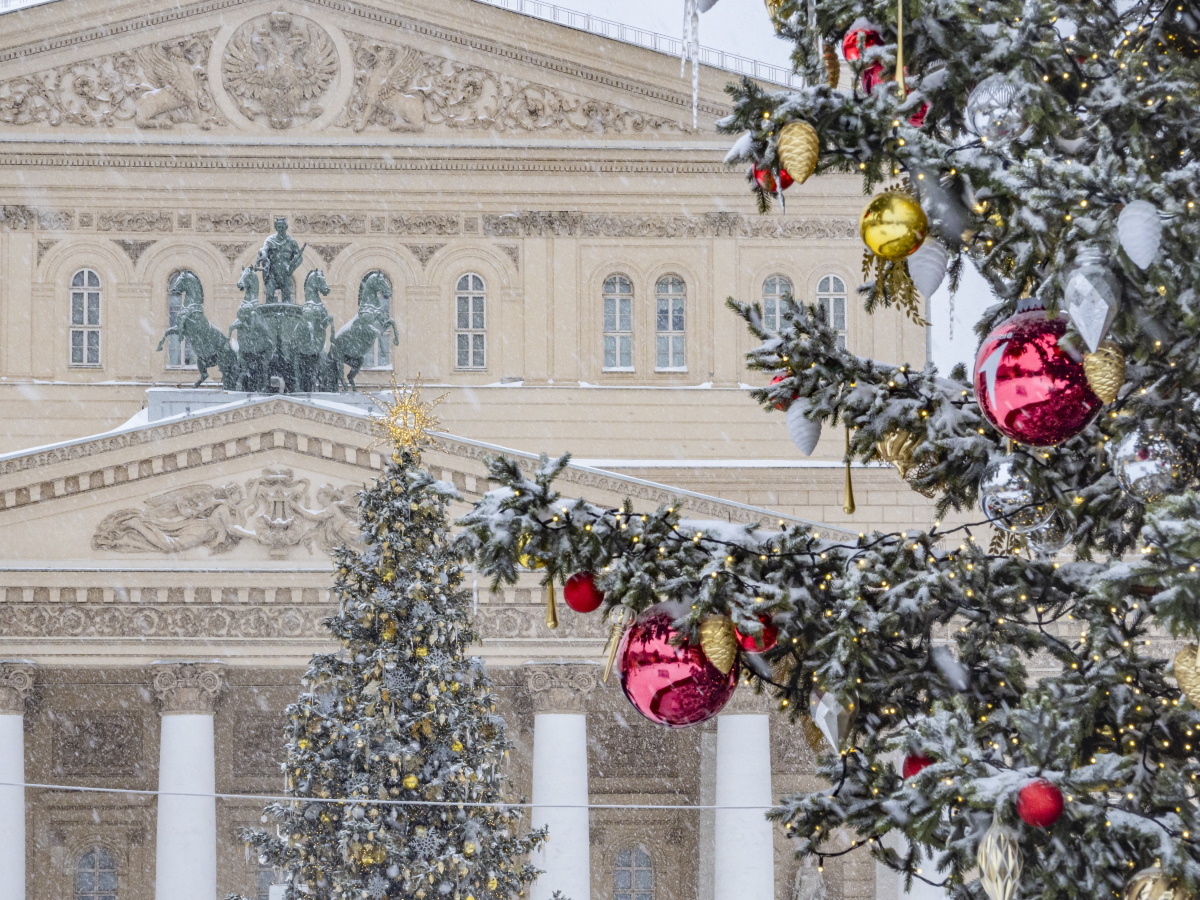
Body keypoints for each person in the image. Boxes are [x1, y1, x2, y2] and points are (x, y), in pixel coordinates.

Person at [257, 216, 304, 303]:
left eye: (282, 227)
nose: (281, 229)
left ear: (286, 228)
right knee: (269, 297)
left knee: (287, 301)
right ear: (276, 227)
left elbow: (300, 258)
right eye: (279, 227)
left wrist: (292, 269)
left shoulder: (291, 242)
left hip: (285, 275)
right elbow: (264, 249)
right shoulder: (270, 240)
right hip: (272, 274)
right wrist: (263, 254)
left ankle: (287, 316)